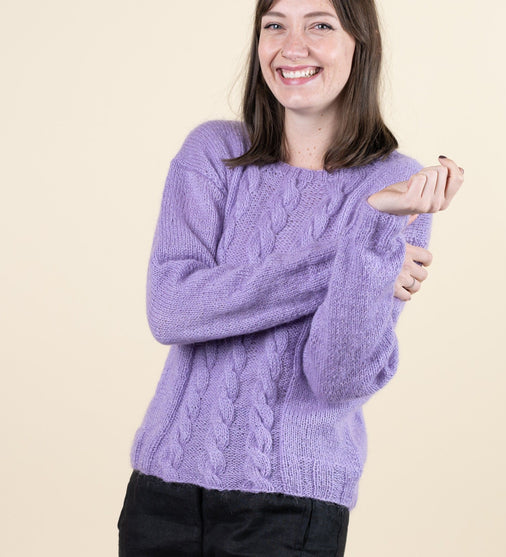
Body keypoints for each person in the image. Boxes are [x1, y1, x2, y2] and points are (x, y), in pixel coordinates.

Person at [117, 0, 464, 555]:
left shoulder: (398, 186)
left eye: (319, 25)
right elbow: (172, 309)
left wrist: (374, 224)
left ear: (360, 43)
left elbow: (337, 381)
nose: (291, 46)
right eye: (274, 25)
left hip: (293, 502)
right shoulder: (213, 151)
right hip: (162, 491)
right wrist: (350, 256)